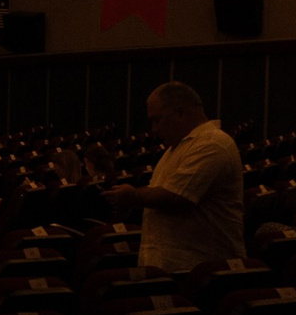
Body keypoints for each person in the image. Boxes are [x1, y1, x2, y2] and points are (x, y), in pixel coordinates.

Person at [104, 82, 244, 274]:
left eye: (157, 120)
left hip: (202, 270)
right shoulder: (177, 148)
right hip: (177, 268)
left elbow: (178, 197)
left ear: (179, 112)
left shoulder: (212, 143)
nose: (153, 129)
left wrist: (133, 196)